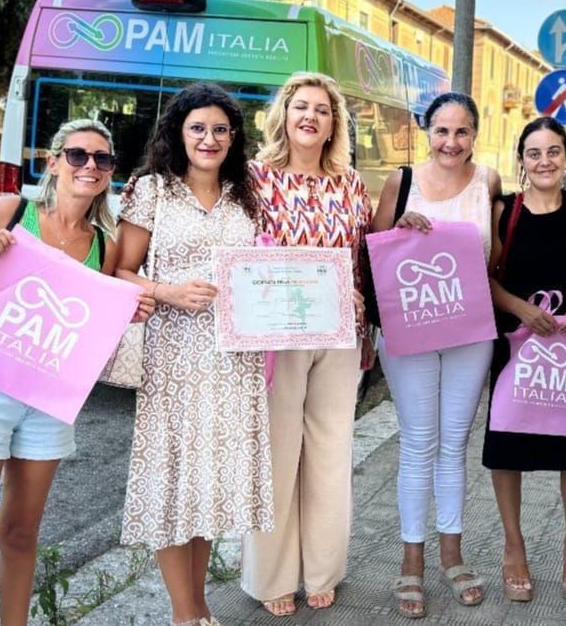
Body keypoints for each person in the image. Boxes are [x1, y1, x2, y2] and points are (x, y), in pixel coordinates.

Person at [0, 119, 153, 625]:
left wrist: (125, 315)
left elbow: (89, 332)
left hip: (47, 400)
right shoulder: (13, 212)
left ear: (111, 172)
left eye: (102, 159)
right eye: (77, 155)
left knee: (21, 535)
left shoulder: (105, 244)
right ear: (53, 162)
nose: (90, 166)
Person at [116, 84, 273, 626]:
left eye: (220, 129)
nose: (210, 139)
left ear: (234, 136)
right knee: (170, 479)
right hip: (173, 358)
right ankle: (185, 614)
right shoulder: (152, 191)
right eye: (198, 128)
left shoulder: (247, 193)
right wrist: (167, 292)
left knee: (206, 484)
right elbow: (120, 271)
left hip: (233, 361)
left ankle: (199, 606)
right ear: (178, 133)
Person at [239, 71, 372, 617]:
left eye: (321, 109)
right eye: (301, 107)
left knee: (330, 451)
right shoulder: (254, 178)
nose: (310, 116)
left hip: (340, 334)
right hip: (278, 333)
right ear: (284, 115)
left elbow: (364, 256)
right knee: (276, 453)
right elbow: (241, 251)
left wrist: (362, 304)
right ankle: (271, 577)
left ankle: (322, 571)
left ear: (334, 124)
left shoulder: (352, 184)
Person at [370, 92, 500, 618]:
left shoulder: (489, 181)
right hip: (411, 327)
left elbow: (496, 256)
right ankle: (411, 562)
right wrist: (399, 230)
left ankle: (452, 555)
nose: (451, 141)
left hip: (470, 329)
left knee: (454, 443)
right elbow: (372, 248)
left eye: (462, 131)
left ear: (474, 135)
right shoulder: (401, 182)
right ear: (428, 132)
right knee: (418, 442)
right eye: (442, 131)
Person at [484, 117, 566, 604]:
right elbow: (486, 277)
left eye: (553, 151)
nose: (544, 161)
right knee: (507, 444)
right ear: (522, 160)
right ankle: (513, 549)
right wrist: (519, 308)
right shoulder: (504, 211)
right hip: (517, 344)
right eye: (534, 153)